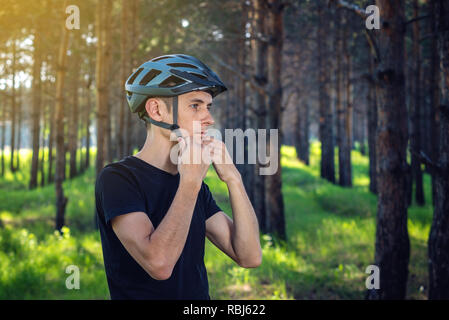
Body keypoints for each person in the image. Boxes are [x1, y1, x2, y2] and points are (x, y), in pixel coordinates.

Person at [95, 54, 262, 300]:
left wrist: (233, 179)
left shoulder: (194, 186)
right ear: (156, 110)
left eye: (208, 107)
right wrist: (191, 183)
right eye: (195, 106)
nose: (209, 119)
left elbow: (249, 256)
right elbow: (159, 265)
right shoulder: (118, 180)